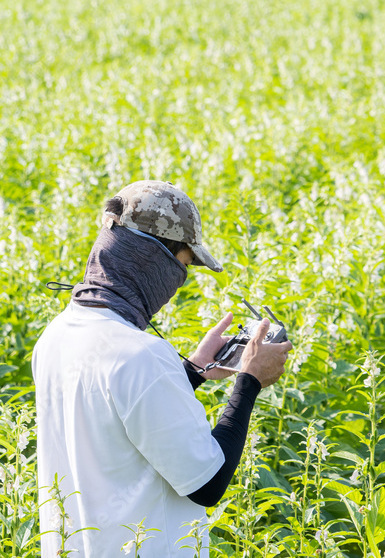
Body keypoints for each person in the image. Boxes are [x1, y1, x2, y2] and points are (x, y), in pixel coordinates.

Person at [32, 180, 293, 557]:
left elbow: (118, 423)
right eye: (183, 266)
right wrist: (249, 381)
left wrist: (192, 372)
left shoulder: (57, 335)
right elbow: (207, 484)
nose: (177, 285)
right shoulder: (141, 356)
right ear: (153, 259)